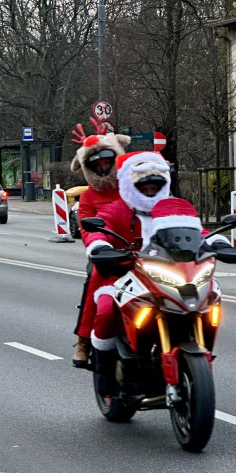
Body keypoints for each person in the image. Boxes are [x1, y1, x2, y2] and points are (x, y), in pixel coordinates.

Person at [82, 150, 172, 394]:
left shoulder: (172, 209)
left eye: (156, 186)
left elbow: (195, 230)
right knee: (105, 307)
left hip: (166, 278)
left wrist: (217, 243)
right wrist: (100, 244)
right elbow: (99, 227)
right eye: (145, 186)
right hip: (122, 274)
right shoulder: (117, 209)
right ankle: (106, 376)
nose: (151, 191)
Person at [69, 125, 131, 368]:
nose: (104, 167)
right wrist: (97, 247)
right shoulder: (88, 197)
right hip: (107, 254)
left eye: (108, 161)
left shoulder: (130, 186)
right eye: (98, 164)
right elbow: (86, 228)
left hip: (140, 252)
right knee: (93, 280)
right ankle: (84, 339)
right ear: (90, 167)